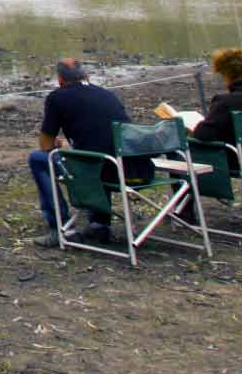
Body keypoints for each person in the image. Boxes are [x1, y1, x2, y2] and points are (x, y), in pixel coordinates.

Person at [28, 57, 151, 248]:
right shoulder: (107, 94)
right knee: (99, 152)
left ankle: (60, 228)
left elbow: (45, 145)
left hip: (100, 170)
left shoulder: (57, 97)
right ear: (87, 76)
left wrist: (56, 145)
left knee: (39, 159)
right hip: (136, 170)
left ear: (60, 80)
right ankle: (99, 224)